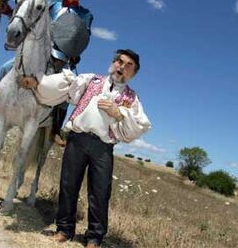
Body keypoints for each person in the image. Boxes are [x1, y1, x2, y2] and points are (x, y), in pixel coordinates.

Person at [24, 49, 151, 248]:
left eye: (129, 66)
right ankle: (64, 229)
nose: (122, 67)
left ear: (133, 74)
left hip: (103, 147)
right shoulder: (91, 81)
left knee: (100, 193)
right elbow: (64, 88)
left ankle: (94, 237)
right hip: (77, 140)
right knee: (68, 186)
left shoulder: (131, 98)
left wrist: (118, 114)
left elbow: (137, 126)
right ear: (113, 62)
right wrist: (38, 83)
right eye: (120, 61)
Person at [0, 0, 94, 142]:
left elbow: (82, 37)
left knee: (68, 87)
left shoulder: (85, 15)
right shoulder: (52, 6)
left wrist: (76, 53)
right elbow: (28, 17)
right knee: (6, 68)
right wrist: (6, 9)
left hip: (60, 56)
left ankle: (55, 128)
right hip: (37, 50)